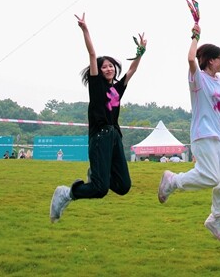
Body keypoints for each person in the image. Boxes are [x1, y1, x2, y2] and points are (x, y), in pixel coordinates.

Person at [49, 13, 147, 223]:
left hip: (115, 137)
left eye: (111, 66)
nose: (108, 68)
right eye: (104, 67)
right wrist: (85, 30)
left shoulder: (117, 88)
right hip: (100, 136)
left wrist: (140, 52)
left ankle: (97, 173)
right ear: (99, 71)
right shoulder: (96, 85)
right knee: (100, 189)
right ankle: (67, 193)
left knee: (123, 186)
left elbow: (132, 70)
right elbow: (93, 54)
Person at [157, 14, 220, 244]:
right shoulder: (197, 79)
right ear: (210, 60)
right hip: (203, 134)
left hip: (219, 135)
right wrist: (195, 35)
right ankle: (173, 181)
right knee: (212, 177)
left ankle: (216, 218)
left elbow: (219, 102)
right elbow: (191, 58)